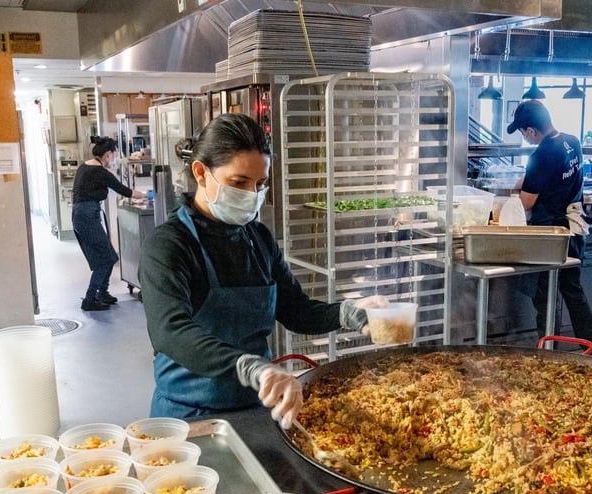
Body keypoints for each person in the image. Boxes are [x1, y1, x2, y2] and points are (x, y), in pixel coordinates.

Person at [138, 113, 384, 423]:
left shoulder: (258, 239)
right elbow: (170, 332)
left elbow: (295, 310)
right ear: (201, 173)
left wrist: (347, 313)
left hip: (257, 407)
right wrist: (250, 366)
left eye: (260, 184)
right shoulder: (169, 245)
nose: (252, 195)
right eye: (239, 182)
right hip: (189, 413)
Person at [506, 100, 592, 356]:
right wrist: (523, 181)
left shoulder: (541, 154)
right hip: (573, 230)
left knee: (545, 299)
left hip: (550, 235)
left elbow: (527, 202)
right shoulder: (571, 141)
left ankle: (547, 354)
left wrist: (507, 199)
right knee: (573, 293)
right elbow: (541, 176)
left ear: (530, 131)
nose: (524, 138)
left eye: (522, 132)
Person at [71, 136, 147, 311]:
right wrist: (147, 195)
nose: (113, 158)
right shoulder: (101, 173)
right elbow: (124, 190)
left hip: (81, 215)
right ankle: (90, 299)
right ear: (107, 154)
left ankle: (102, 292)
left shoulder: (84, 167)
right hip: (88, 216)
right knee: (104, 260)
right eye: (113, 155)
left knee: (110, 256)